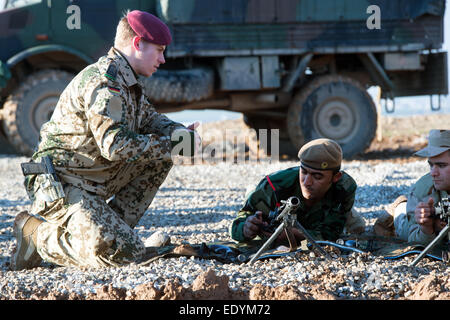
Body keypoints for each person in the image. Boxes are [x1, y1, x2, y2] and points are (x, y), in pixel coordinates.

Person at [10, 10, 201, 270]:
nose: (163, 59)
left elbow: (150, 119)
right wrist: (171, 145)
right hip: (62, 184)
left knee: (160, 157)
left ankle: (113, 234)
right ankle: (38, 236)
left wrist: (181, 135)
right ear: (137, 44)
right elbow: (115, 145)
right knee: (123, 256)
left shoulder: (127, 82)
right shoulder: (105, 83)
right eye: (158, 50)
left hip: (92, 179)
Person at [229, 138, 365, 245]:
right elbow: (237, 224)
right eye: (304, 172)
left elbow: (330, 235)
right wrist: (245, 229)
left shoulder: (344, 187)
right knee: (256, 196)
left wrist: (298, 234)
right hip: (270, 200)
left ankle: (350, 212)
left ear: (336, 177)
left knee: (358, 227)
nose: (307, 182)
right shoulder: (275, 186)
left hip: (321, 211)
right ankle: (251, 191)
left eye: (317, 176)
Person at [374, 129, 449, 246]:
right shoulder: (423, 190)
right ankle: (399, 207)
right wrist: (426, 228)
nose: (433, 173)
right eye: (431, 165)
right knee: (403, 229)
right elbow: (414, 241)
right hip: (413, 221)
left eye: (441, 165)